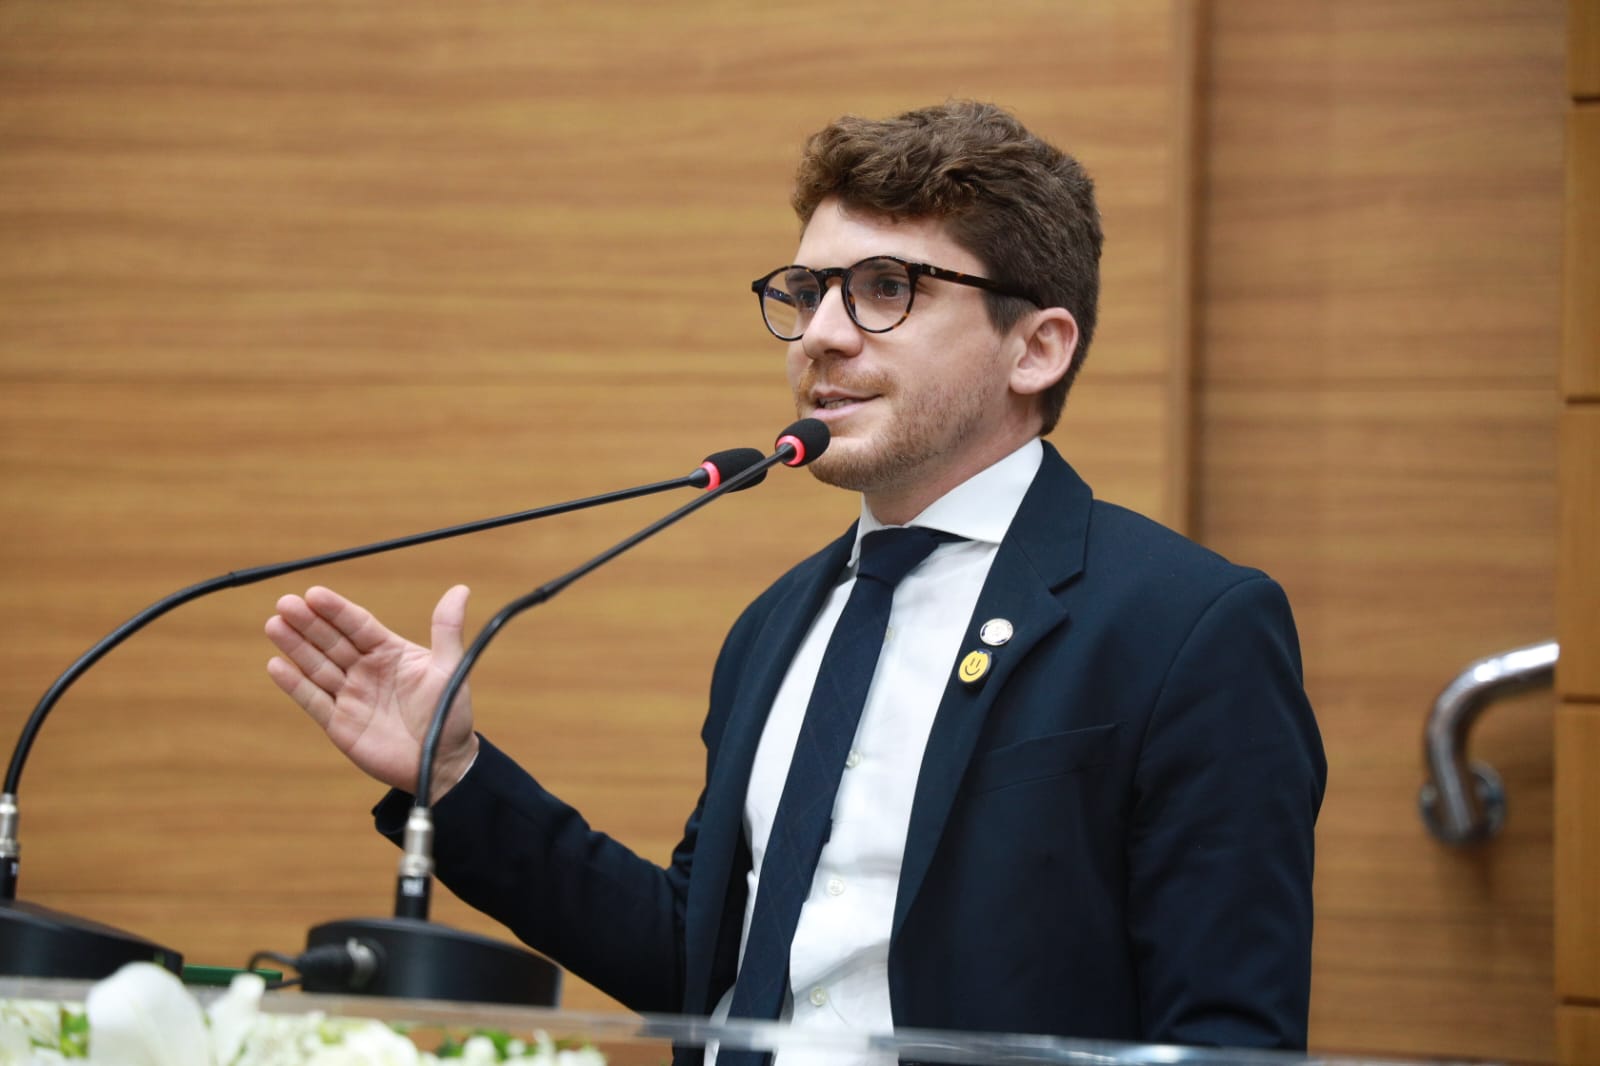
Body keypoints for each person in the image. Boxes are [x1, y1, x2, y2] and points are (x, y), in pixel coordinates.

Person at [265, 101, 1327, 1057]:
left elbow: (1226, 1038)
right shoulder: (778, 623)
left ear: (1036, 348)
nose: (819, 335)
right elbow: (697, 962)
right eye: (809, 291)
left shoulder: (1184, 628)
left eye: (885, 290)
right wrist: (455, 776)